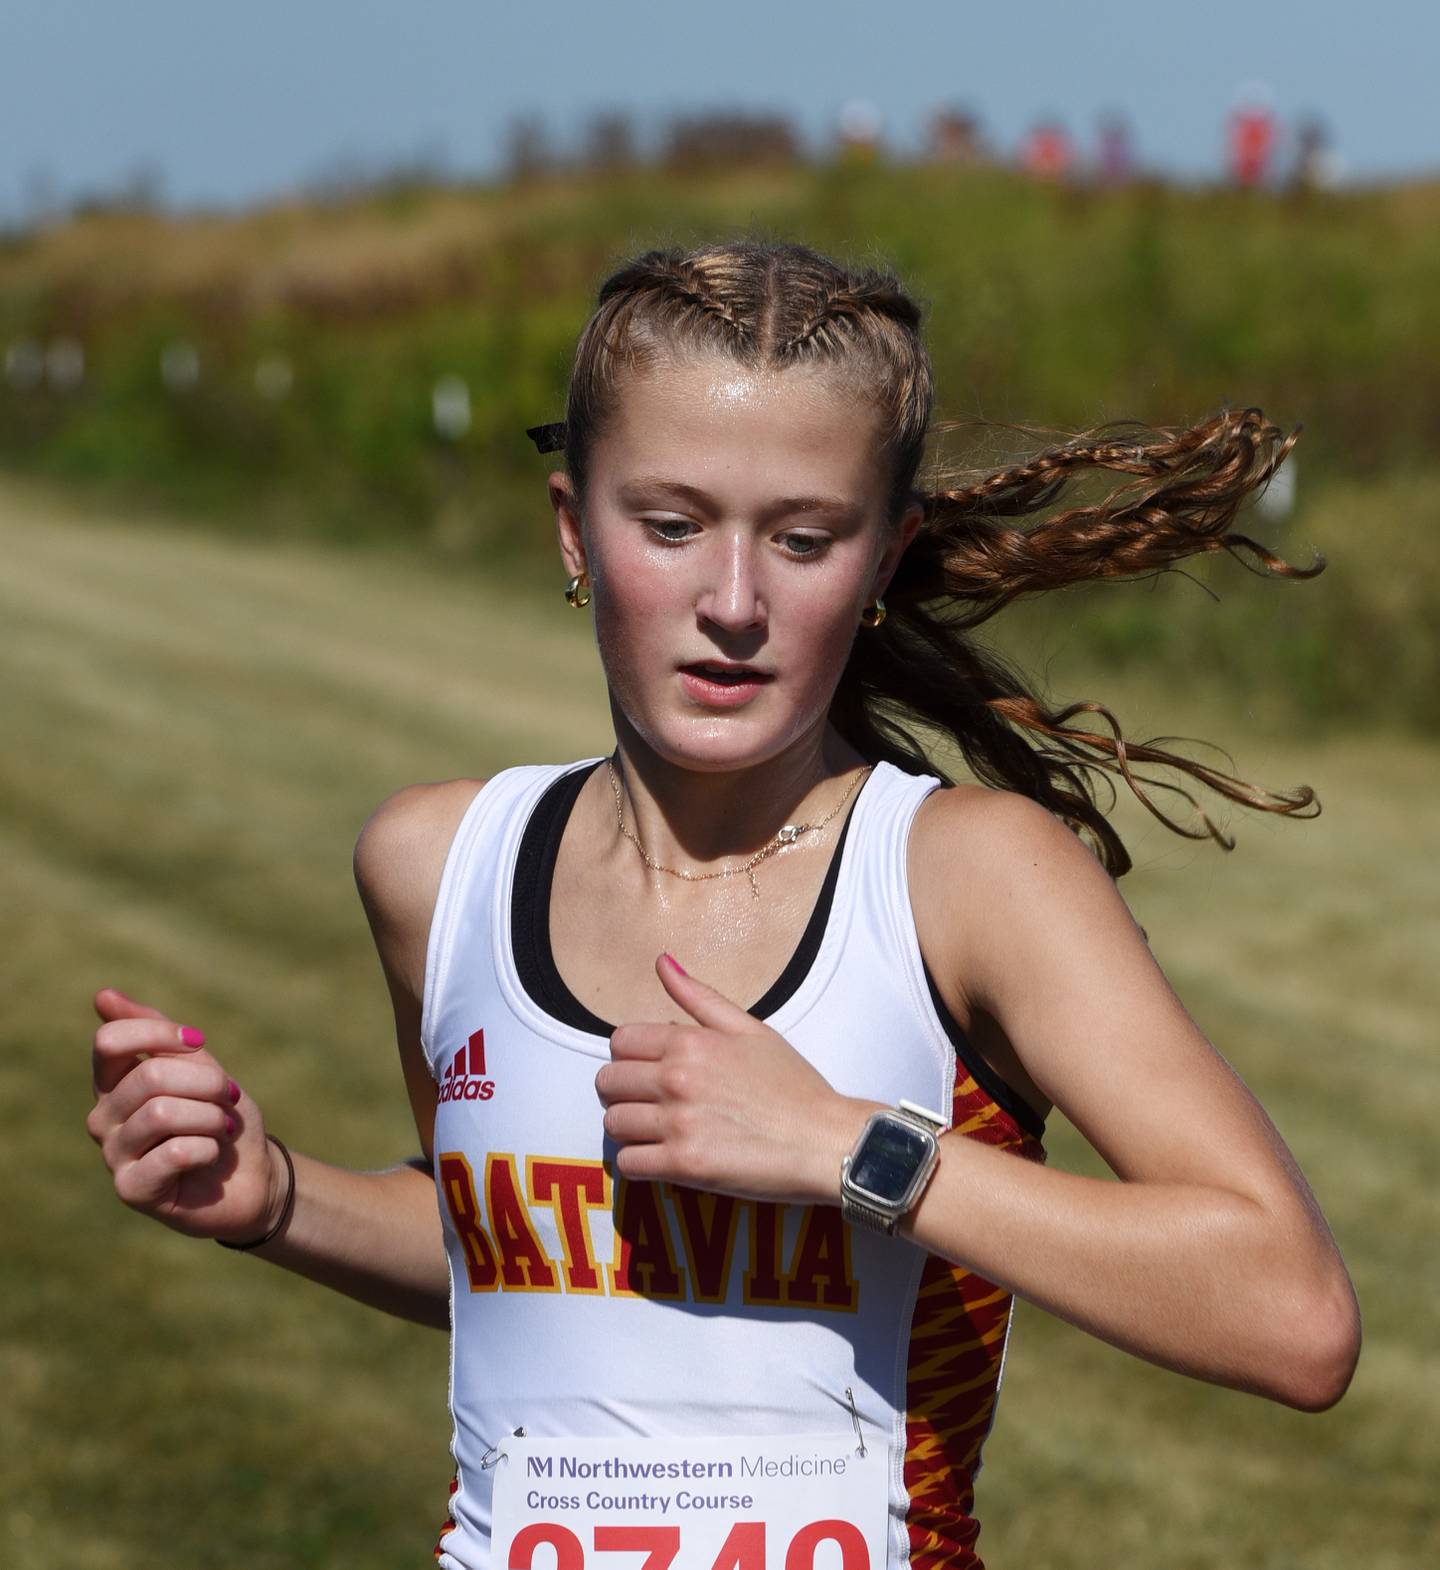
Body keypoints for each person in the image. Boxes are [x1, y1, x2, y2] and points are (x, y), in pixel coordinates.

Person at [86, 240, 1361, 1570]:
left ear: (884, 555)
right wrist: (280, 1196)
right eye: (673, 524)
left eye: (804, 538)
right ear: (576, 529)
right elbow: (516, 1252)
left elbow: (1291, 1310)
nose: (735, 603)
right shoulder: (436, 863)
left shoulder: (970, 877)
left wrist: (852, 1147)